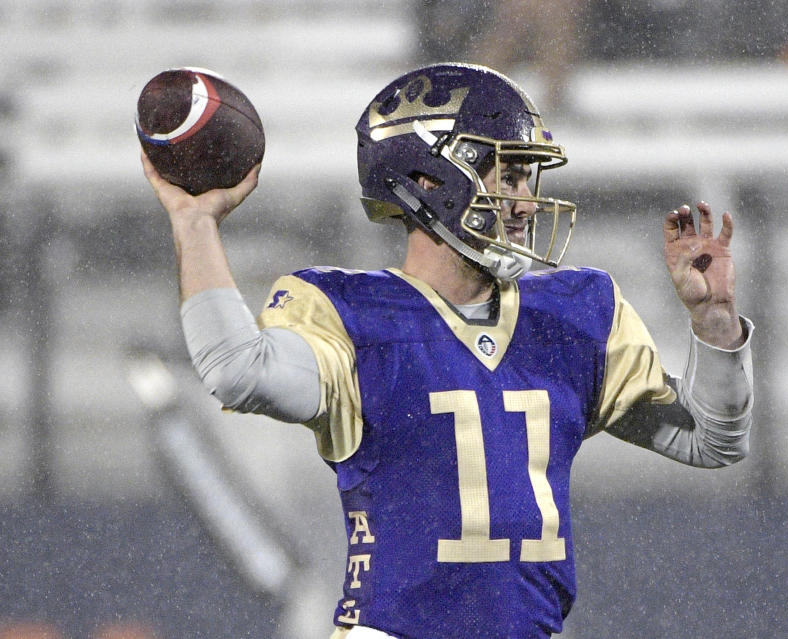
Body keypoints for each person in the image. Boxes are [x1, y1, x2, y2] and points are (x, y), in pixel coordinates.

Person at [142, 63, 754, 639]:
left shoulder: (572, 311)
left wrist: (715, 322)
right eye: (507, 175)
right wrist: (195, 225)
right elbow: (237, 372)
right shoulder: (352, 313)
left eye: (526, 178)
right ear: (430, 180)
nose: (523, 203)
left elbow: (714, 440)